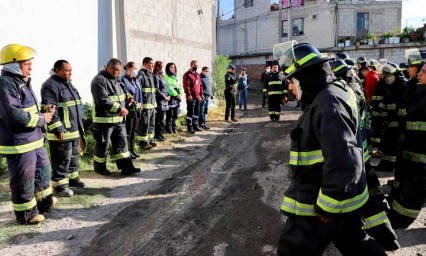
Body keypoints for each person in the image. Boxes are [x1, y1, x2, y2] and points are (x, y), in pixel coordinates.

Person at [275, 41, 385, 255]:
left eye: (291, 80)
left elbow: (345, 160)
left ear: (305, 76)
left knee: (292, 248)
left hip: (323, 200)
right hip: (340, 195)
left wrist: (329, 205)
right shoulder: (327, 94)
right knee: (354, 242)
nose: (289, 86)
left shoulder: (329, 103)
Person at [330, 58, 399, 250]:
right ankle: (384, 223)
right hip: (362, 146)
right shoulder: (353, 86)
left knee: (365, 193)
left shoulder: (347, 90)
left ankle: (383, 235)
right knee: (369, 185)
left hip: (357, 148)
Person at [0, 44, 57, 224]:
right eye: (27, 63)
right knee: (23, 179)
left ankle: (43, 203)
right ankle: (26, 215)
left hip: (33, 139)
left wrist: (43, 111)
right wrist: (41, 119)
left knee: (43, 171)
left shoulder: (21, 81)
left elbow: (26, 108)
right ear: (14, 64)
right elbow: (14, 115)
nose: (30, 67)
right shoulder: (5, 84)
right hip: (19, 143)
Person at [387, 63, 426, 229]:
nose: (419, 73)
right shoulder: (418, 90)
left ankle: (401, 220)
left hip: (420, 156)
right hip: (411, 152)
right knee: (407, 184)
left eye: (423, 72)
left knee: (415, 189)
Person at [41, 60, 85, 197]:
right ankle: (59, 185)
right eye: (67, 70)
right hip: (62, 131)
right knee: (62, 158)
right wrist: (57, 128)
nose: (70, 73)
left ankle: (72, 178)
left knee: (74, 156)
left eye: (71, 70)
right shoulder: (50, 85)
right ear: (58, 70)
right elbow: (49, 109)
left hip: (74, 129)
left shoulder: (68, 83)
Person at [91, 58, 141, 176]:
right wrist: (120, 108)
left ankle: (127, 168)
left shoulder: (117, 80)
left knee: (122, 144)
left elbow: (123, 92)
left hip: (119, 120)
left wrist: (129, 97)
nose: (117, 73)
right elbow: (103, 100)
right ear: (109, 68)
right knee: (103, 145)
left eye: (118, 71)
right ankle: (99, 168)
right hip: (104, 121)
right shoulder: (98, 81)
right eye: (115, 70)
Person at [374, 63, 407, 173]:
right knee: (387, 143)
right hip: (390, 121)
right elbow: (386, 102)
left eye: (387, 77)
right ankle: (386, 164)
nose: (385, 79)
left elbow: (399, 106)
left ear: (395, 75)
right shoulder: (391, 86)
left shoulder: (402, 86)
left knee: (392, 145)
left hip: (398, 122)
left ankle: (389, 165)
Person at [121, 61, 142, 159]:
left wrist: (140, 104)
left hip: (137, 109)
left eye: (136, 69)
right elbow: (125, 95)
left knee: (134, 131)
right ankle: (128, 151)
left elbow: (139, 93)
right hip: (129, 109)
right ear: (128, 69)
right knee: (128, 131)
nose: (135, 71)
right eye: (134, 69)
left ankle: (132, 150)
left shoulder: (136, 80)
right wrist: (133, 102)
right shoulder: (123, 80)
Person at [137, 57, 157, 149]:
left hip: (152, 105)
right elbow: (137, 90)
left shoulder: (150, 74)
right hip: (145, 105)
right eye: (150, 63)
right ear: (145, 64)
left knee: (151, 123)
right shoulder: (141, 74)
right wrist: (139, 103)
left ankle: (150, 140)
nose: (152, 65)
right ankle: (143, 143)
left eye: (153, 63)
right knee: (144, 124)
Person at [183, 60, 204, 133]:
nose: (196, 66)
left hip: (198, 96)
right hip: (191, 97)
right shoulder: (187, 74)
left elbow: (200, 85)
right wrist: (189, 95)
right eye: (194, 65)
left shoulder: (198, 74)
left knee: (196, 112)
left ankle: (195, 126)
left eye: (197, 65)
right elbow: (186, 86)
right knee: (190, 112)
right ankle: (190, 127)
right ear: (191, 65)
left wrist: (201, 94)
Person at [153, 61, 170, 141]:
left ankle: (161, 134)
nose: (162, 68)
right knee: (159, 120)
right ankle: (157, 135)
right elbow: (157, 90)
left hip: (165, 101)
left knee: (162, 119)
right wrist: (164, 97)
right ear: (157, 67)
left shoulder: (162, 76)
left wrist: (168, 95)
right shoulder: (155, 76)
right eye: (161, 67)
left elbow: (165, 87)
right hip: (160, 101)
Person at [164, 62, 183, 134]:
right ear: (168, 68)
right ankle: (169, 129)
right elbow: (169, 87)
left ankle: (174, 128)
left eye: (174, 67)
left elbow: (180, 86)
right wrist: (176, 94)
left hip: (177, 98)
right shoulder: (166, 77)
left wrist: (180, 93)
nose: (173, 68)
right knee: (170, 115)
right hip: (171, 97)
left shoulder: (176, 77)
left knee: (175, 114)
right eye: (171, 67)